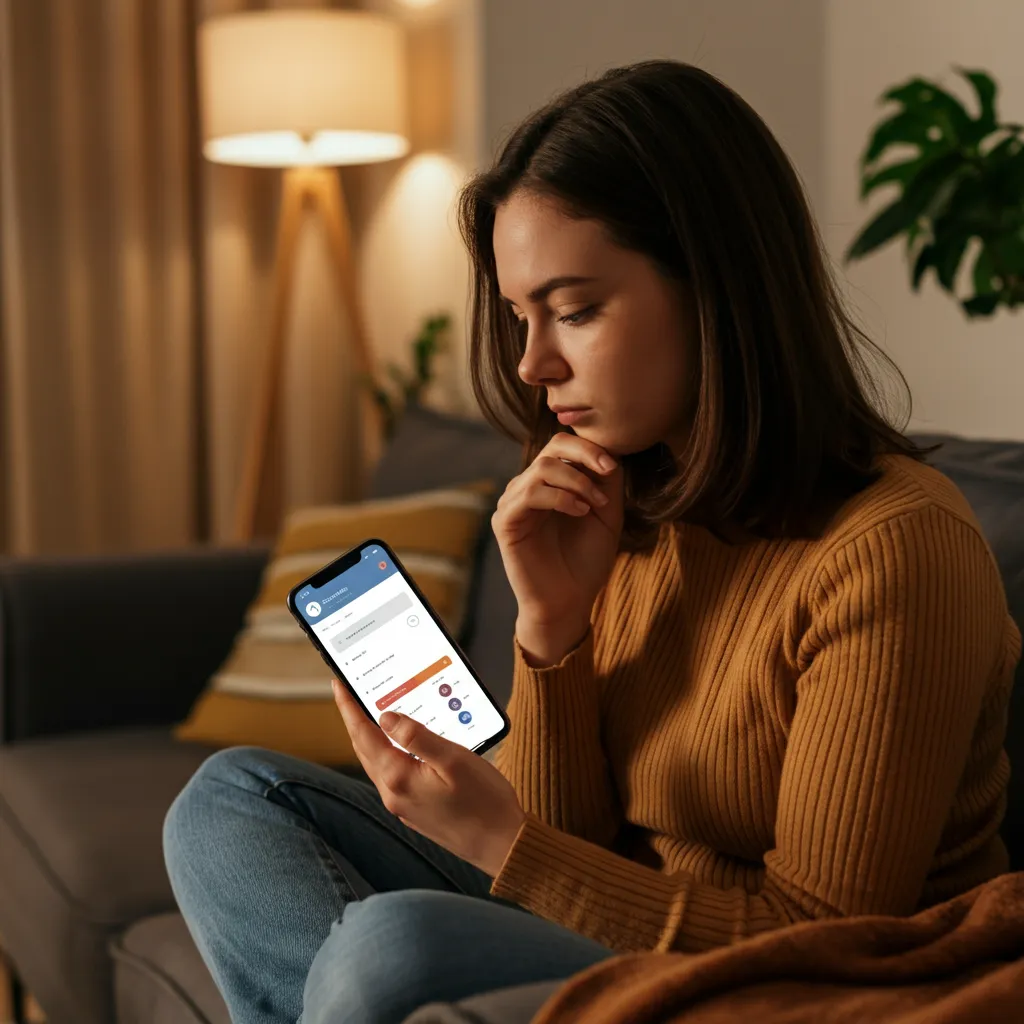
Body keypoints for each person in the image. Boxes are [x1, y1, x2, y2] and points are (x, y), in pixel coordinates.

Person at [163, 60, 1021, 1024]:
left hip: (786, 979)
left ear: (716, 287)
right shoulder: (623, 502)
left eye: (573, 311)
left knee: (389, 946)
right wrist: (553, 630)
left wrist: (503, 844)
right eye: (522, 317)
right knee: (231, 802)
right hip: (603, 915)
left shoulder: (897, 548)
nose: (533, 364)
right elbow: (576, 837)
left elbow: (824, 941)